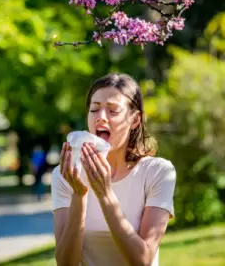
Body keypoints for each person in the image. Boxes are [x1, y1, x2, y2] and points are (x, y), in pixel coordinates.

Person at [51, 73, 176, 266]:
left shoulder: (158, 172)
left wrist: (105, 194)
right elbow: (65, 264)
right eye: (94, 109)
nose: (100, 117)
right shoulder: (65, 175)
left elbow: (143, 260)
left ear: (134, 120)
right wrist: (79, 195)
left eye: (113, 110)